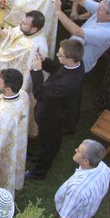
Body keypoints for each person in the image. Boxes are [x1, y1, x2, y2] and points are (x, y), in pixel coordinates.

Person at [24, 38, 86, 180]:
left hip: (54, 118)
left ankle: (39, 172)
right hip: (58, 111)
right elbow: (58, 68)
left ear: (70, 59)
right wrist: (45, 61)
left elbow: (40, 94)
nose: (57, 57)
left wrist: (37, 70)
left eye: (60, 55)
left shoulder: (68, 83)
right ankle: (40, 157)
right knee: (49, 142)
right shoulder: (77, 63)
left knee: (49, 144)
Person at [0, 69, 30, 196]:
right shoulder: (23, 95)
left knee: (1, 169)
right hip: (17, 140)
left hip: (3, 147)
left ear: (8, 89)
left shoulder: (2, 115)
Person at [55, 0, 110, 74]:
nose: (96, 9)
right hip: (69, 53)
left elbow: (77, 31)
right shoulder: (102, 9)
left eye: (100, 10)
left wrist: (58, 12)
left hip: (78, 64)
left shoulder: (108, 33)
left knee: (59, 83)